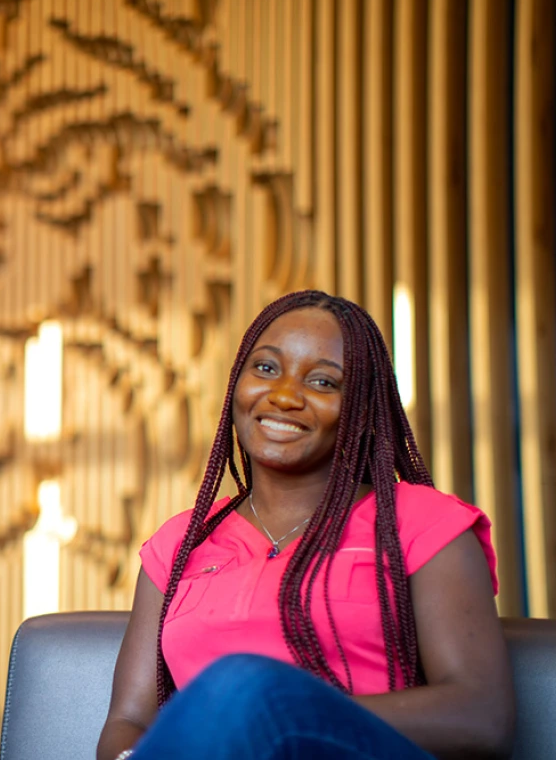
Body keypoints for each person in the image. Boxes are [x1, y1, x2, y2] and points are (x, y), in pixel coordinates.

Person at [96, 290, 515, 759]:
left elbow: (481, 717)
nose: (284, 396)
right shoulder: (179, 544)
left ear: (361, 413)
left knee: (243, 686)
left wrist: (285, 710)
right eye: (267, 369)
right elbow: (128, 720)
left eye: (322, 382)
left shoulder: (423, 522)